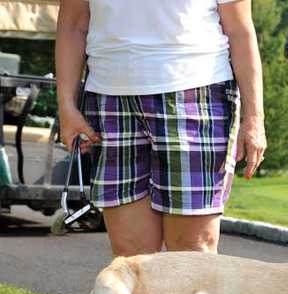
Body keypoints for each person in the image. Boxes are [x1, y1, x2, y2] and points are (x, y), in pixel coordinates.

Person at [55, 0, 266, 257]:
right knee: (131, 258)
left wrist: (254, 118)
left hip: (196, 96)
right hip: (110, 97)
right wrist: (66, 105)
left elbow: (240, 30)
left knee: (192, 251)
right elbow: (72, 25)